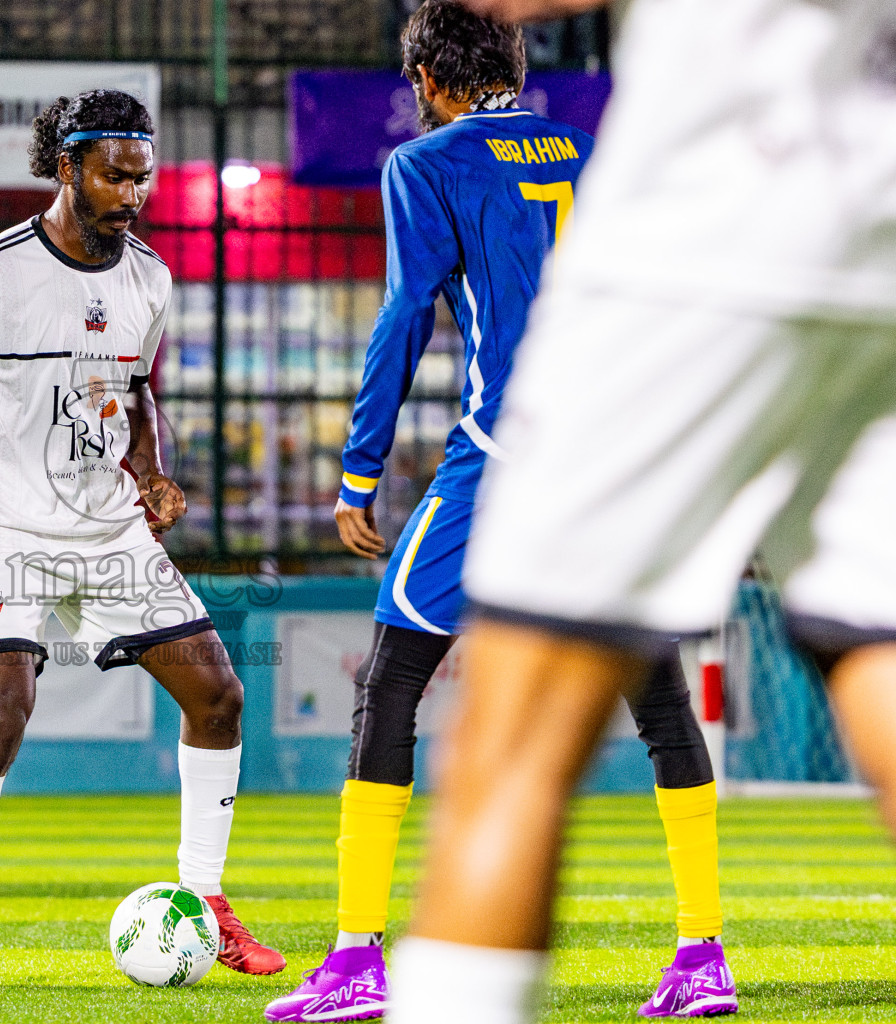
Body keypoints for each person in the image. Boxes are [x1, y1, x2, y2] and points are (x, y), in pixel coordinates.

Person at [382, 1, 896, 1022]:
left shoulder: (439, 157)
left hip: (714, 223)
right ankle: (699, 950)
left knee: (511, 729)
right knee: (876, 647)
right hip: (880, 235)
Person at [265, 5, 734, 1019]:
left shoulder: (425, 164)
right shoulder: (590, 150)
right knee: (656, 701)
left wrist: (360, 473)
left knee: (390, 680)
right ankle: (703, 955)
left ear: (429, 76)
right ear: (513, 64)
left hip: (508, 457)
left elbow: (404, 316)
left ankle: (355, 959)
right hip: (615, 461)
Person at [0, 88, 286, 989]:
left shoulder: (149, 276)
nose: (132, 194)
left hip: (104, 524)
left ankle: (208, 903)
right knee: (3, 713)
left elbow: (140, 389)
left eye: (142, 178)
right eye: (115, 176)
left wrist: (150, 469)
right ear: (66, 168)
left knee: (219, 697)